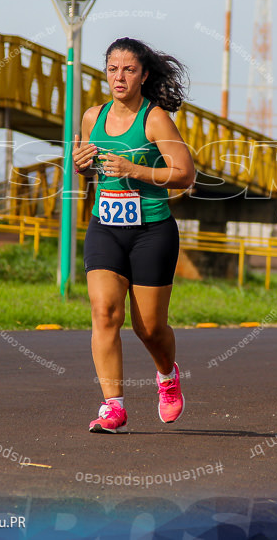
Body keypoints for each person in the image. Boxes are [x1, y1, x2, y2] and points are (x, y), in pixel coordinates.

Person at [70, 37, 195, 433]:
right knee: (105, 312)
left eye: (128, 69)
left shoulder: (155, 118)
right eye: (112, 69)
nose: (119, 76)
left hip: (152, 230)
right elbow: (89, 169)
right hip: (105, 226)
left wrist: (134, 169)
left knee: (149, 328)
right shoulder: (93, 117)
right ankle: (113, 406)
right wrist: (81, 164)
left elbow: (185, 175)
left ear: (143, 75)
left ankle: (167, 376)